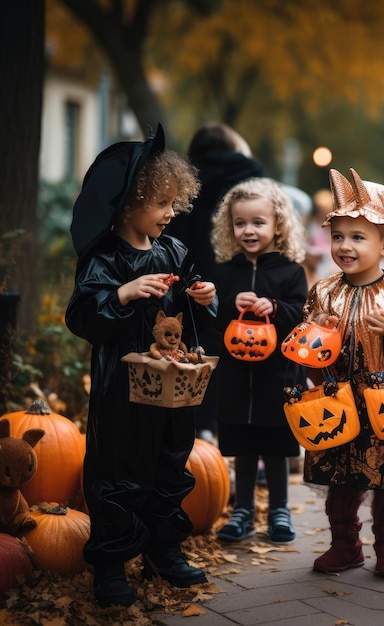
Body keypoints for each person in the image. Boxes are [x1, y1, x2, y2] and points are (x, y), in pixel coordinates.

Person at [65, 126, 218, 608]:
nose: (171, 214)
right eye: (161, 204)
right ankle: (110, 564)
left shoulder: (172, 250)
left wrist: (203, 297)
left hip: (171, 388)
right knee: (119, 471)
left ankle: (162, 549)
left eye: (175, 203)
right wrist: (122, 294)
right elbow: (82, 316)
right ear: (129, 203)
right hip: (122, 393)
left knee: (169, 464)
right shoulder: (103, 258)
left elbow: (187, 303)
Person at [302, 167, 384, 578]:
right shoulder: (323, 290)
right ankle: (345, 544)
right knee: (340, 478)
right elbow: (306, 349)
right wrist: (314, 329)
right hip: (337, 401)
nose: (345, 245)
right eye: (338, 236)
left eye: (358, 237)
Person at [209, 177, 308, 544]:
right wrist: (224, 304)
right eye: (240, 223)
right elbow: (212, 320)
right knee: (245, 447)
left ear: (277, 225)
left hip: (276, 376)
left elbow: (302, 314)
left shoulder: (290, 271)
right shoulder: (224, 272)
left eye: (258, 222)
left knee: (276, 445)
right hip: (236, 377)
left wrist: (277, 307)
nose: (248, 230)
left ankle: (279, 511)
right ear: (230, 226)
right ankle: (243, 512)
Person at [166, 122, 265, 444]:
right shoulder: (252, 178)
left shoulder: (181, 180)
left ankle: (200, 429)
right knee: (243, 350)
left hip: (191, 273)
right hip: (241, 273)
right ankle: (236, 441)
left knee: (197, 350)